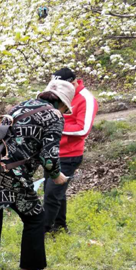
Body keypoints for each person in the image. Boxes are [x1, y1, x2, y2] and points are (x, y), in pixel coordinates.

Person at [0, 79, 75, 270]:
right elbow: (49, 158)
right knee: (35, 217)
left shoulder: (22, 106)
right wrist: (57, 176)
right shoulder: (54, 116)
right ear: (64, 103)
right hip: (11, 175)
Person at [44, 68, 98, 234]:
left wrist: (56, 126)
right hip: (52, 152)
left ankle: (41, 231)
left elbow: (83, 129)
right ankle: (59, 227)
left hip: (69, 155)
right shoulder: (55, 94)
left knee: (52, 194)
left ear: (73, 82)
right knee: (55, 191)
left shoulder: (86, 99)